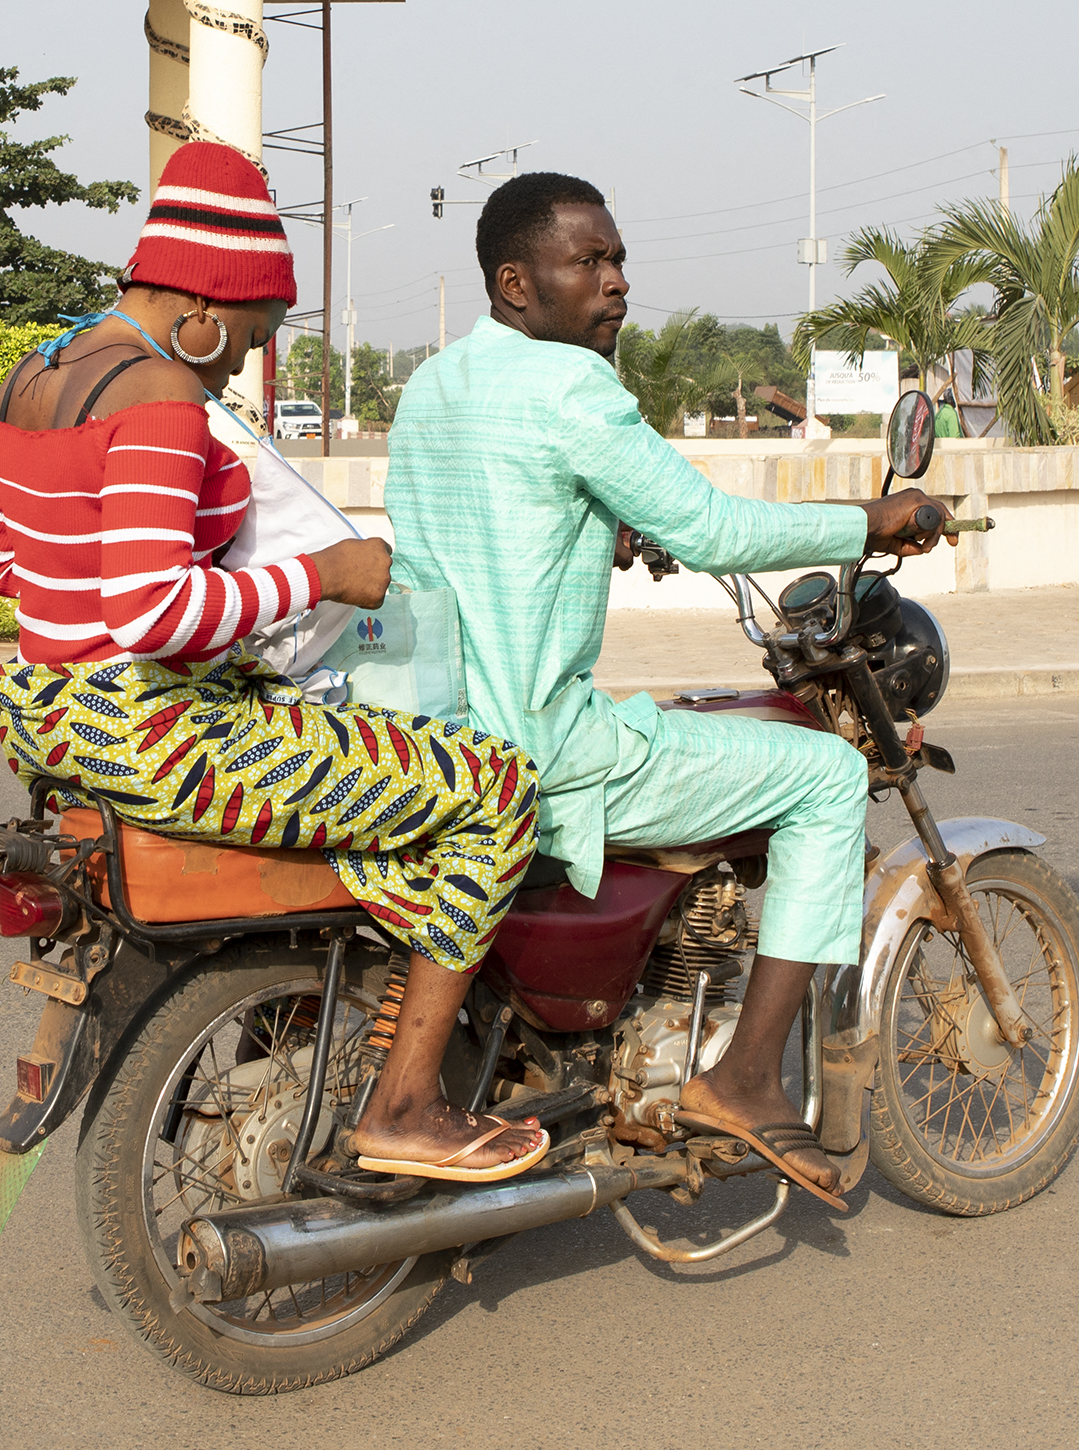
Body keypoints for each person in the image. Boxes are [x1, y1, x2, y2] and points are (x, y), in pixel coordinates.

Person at [0, 139, 546, 1184]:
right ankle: (406, 1102)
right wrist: (321, 576)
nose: (238, 367)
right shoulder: (162, 398)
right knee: (495, 786)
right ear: (200, 311)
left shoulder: (32, 374)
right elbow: (151, 610)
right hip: (163, 734)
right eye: (248, 338)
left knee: (369, 751)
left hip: (53, 715)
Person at [385, 172, 945, 1209]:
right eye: (588, 261)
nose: (617, 282)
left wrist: (609, 525)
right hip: (545, 746)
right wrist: (872, 518)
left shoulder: (436, 382)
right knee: (823, 774)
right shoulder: (573, 387)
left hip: (434, 737)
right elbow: (720, 531)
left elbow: (498, 521)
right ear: (516, 281)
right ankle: (743, 1079)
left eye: (618, 259)